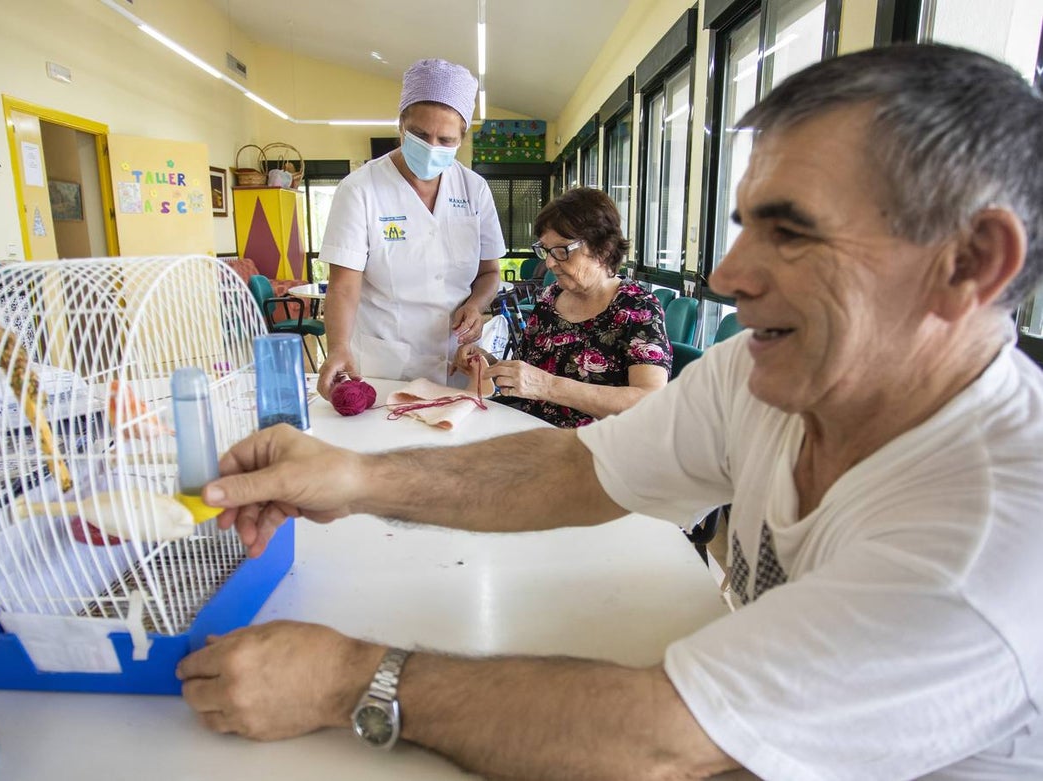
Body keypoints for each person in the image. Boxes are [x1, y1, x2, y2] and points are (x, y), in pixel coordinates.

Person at [177, 44, 1043, 779]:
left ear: (970, 261)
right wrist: (356, 476)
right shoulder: (766, 375)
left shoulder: (984, 544)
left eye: (792, 230)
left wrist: (347, 680)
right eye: (742, 225)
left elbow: (662, 741)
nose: (726, 278)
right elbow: (582, 466)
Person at [315, 58, 504, 396]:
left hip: (453, 360)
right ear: (401, 125)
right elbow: (343, 286)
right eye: (419, 134)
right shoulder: (360, 189)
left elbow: (490, 272)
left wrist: (475, 306)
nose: (432, 148)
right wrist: (338, 347)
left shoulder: (474, 190)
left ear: (462, 137)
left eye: (445, 140)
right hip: (385, 363)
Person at [454, 187, 671, 427]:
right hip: (530, 433)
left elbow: (651, 401)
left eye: (561, 251)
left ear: (603, 249)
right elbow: (529, 377)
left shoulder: (637, 309)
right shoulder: (550, 298)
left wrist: (548, 387)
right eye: (546, 250)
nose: (549, 262)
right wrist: (488, 364)